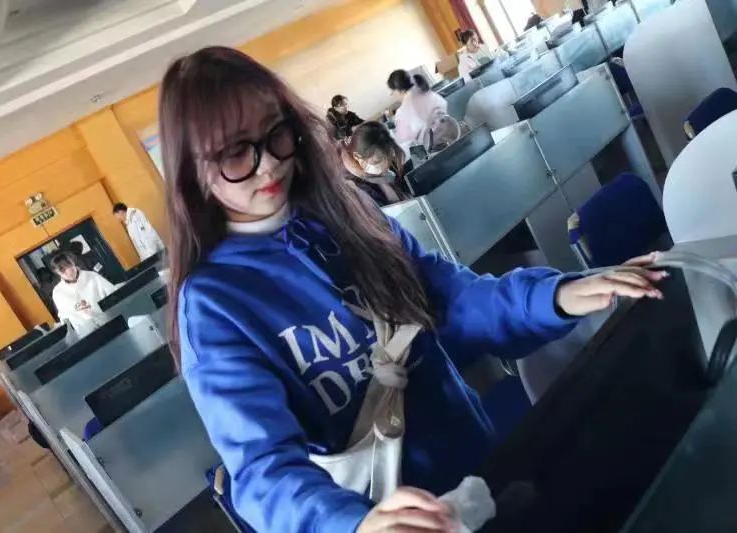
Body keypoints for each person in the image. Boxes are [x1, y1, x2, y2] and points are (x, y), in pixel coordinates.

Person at [160, 46, 665, 533]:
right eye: (236, 154)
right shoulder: (215, 303)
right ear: (193, 172)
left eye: (276, 135)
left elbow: (453, 299)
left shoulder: (348, 213)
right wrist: (353, 523)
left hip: (476, 473)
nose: (269, 164)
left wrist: (555, 296)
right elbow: (263, 469)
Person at [340, 121, 408, 207]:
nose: (385, 167)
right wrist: (383, 183)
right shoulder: (355, 188)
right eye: (377, 161)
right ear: (357, 157)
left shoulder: (380, 153)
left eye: (388, 158)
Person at [50, 252, 115, 335]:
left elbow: (113, 294)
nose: (69, 272)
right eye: (62, 270)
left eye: (69, 265)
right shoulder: (58, 292)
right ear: (57, 272)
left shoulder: (93, 277)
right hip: (85, 333)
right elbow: (64, 317)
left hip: (107, 322)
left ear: (73, 262)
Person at [387, 69, 447, 155]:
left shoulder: (402, 113)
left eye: (393, 91)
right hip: (449, 140)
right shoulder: (429, 94)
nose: (393, 95)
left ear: (400, 90)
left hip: (433, 153)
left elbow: (403, 142)